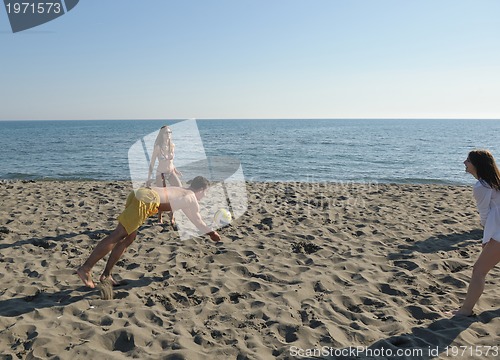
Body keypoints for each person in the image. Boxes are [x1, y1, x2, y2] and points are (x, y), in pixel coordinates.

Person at [76, 176, 221, 289]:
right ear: (201, 189)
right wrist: (212, 233)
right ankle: (86, 269)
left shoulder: (183, 191)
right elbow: (198, 221)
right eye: (206, 192)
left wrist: (208, 232)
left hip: (140, 193)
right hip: (148, 199)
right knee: (118, 234)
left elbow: (191, 217)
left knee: (128, 238)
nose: (205, 196)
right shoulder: (191, 198)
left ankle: (106, 275)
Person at [454, 149, 500, 316]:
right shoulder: (495, 181)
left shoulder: (482, 186)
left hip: (498, 233)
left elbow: (485, 216)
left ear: (477, 165)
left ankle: (466, 310)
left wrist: (487, 239)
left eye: (468, 160)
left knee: (479, 271)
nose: (464, 163)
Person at [147, 125, 182, 225]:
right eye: (166, 132)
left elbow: (171, 161)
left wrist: (175, 169)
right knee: (162, 197)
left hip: (171, 172)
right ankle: (159, 217)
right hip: (161, 173)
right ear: (162, 134)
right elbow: (152, 162)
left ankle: (172, 215)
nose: (168, 134)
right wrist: (149, 178)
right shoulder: (158, 147)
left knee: (179, 190)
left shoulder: (172, 145)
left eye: (170, 132)